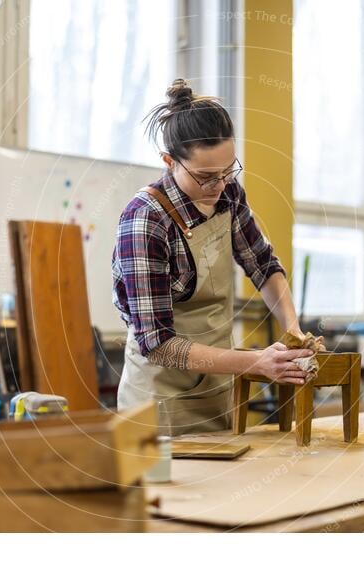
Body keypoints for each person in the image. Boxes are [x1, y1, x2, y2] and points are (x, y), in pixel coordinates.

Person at [112, 78, 317, 435]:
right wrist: (256, 361)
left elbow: (264, 265)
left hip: (218, 386)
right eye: (206, 176)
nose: (220, 185)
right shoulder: (145, 221)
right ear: (169, 161)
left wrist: (291, 328)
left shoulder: (227, 194)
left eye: (228, 171)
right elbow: (158, 344)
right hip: (159, 400)